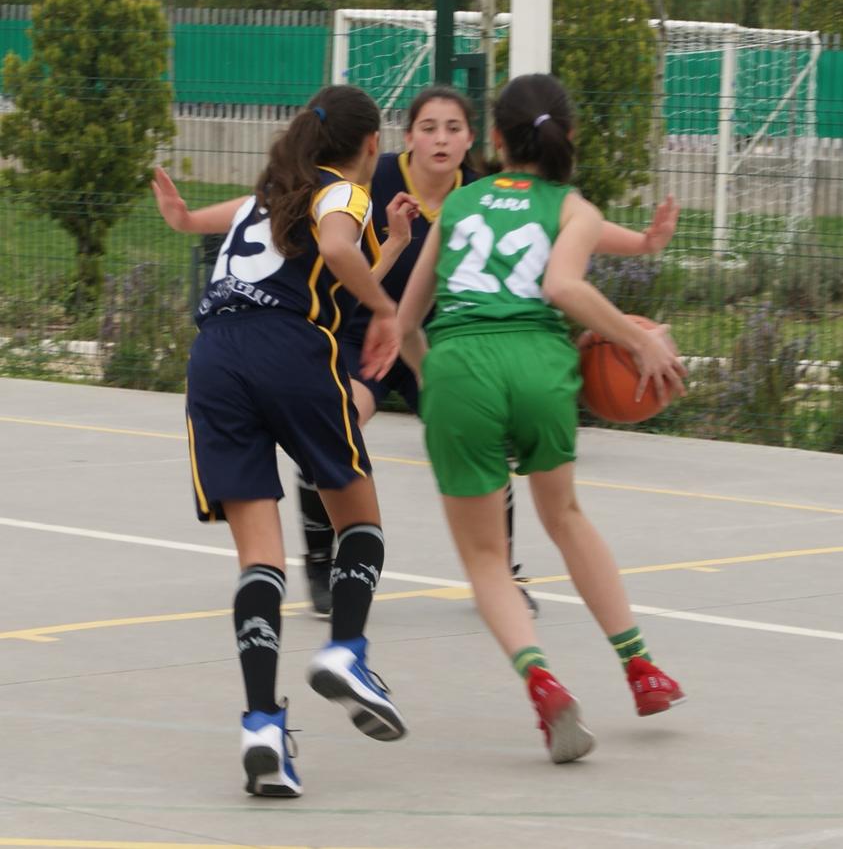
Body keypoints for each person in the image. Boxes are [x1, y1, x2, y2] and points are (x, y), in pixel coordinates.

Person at [154, 84, 679, 620]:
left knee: (486, 441)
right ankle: (321, 560)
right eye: (428, 128)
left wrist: (640, 241)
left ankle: (501, 572)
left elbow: (560, 219)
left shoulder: (484, 190)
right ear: (406, 138)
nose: (441, 138)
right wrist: (192, 219)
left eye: (453, 128)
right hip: (369, 332)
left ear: (474, 138)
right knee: (339, 427)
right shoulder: (371, 175)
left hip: (446, 338)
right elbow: (280, 204)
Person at [397, 73, 688, 764]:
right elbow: (561, 281)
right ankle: (640, 667)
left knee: (484, 556)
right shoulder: (572, 207)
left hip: (458, 366)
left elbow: (406, 322)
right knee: (564, 518)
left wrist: (434, 379)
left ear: (492, 141)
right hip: (536, 363)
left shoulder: (460, 204)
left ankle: (542, 682)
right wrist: (637, 335)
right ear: (569, 137)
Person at [175, 84, 419, 798]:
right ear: (370, 147)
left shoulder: (267, 198)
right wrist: (385, 311)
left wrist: (186, 216)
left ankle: (261, 727)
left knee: (259, 556)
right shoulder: (342, 192)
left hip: (213, 361)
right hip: (287, 351)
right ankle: (345, 650)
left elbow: (321, 273)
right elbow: (341, 252)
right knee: (359, 517)